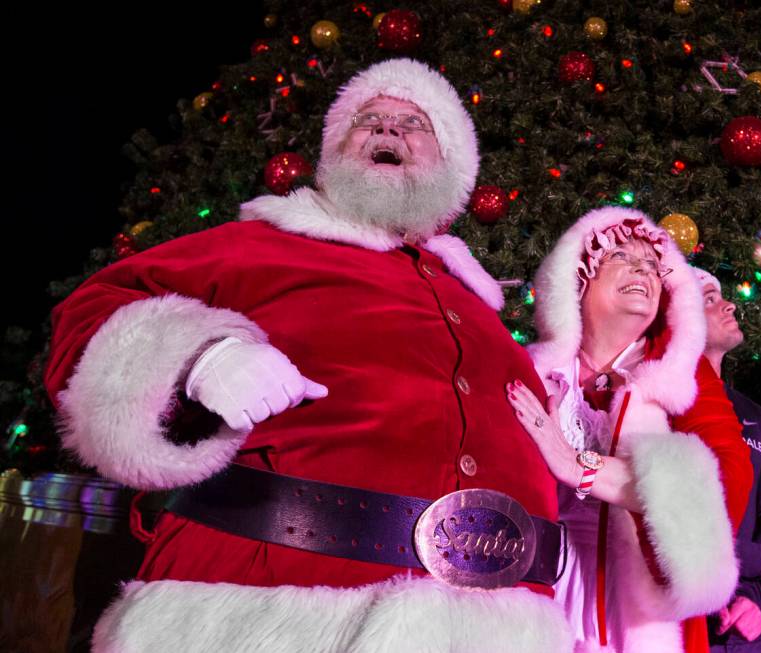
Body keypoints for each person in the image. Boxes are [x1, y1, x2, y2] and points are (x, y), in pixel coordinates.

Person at [43, 59, 574, 652]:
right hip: (272, 609)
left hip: (496, 624)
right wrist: (201, 357)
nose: (387, 130)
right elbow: (91, 313)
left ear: (453, 166)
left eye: (412, 123)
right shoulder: (257, 244)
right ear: (335, 152)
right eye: (367, 120)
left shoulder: (474, 301)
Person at [506, 207, 753, 653]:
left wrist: (579, 465)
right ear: (576, 279)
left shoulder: (682, 375)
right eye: (620, 255)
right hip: (537, 603)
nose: (643, 267)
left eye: (655, 265)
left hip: (639, 620)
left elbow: (725, 485)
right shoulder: (528, 371)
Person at [695, 268, 761, 652]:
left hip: (748, 623)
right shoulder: (662, 405)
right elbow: (679, 528)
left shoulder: (757, 416)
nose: (729, 304)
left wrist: (752, 598)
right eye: (708, 299)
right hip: (688, 616)